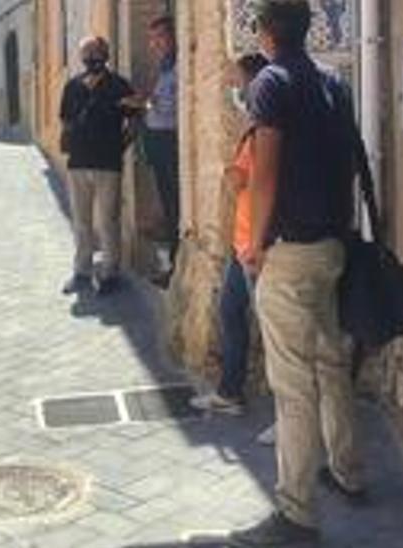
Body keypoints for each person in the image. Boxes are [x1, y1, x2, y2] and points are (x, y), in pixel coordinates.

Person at [230, 1, 365, 545]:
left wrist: (257, 242)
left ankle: (296, 513)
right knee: (332, 364)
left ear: (265, 32)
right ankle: (348, 470)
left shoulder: (270, 84)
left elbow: (265, 171)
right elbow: (351, 163)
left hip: (288, 252)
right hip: (332, 246)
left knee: (293, 386)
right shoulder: (334, 86)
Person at [190, 53, 271, 419]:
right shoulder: (254, 129)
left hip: (258, 246)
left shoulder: (264, 132)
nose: (235, 90)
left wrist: (231, 173)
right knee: (230, 311)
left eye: (239, 82)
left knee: (274, 334)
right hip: (243, 244)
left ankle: (287, 421)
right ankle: (230, 391)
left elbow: (247, 180)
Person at [59, 36, 138, 296]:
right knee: (81, 221)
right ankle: (82, 270)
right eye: (86, 53)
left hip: (108, 163)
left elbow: (134, 120)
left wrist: (120, 146)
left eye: (95, 52)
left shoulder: (119, 86)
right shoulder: (72, 87)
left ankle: (109, 272)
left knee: (107, 220)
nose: (91, 57)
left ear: (106, 54)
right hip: (78, 163)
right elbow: (66, 121)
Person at [142, 15, 180, 280]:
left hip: (170, 144)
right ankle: (173, 265)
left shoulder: (178, 67)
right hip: (158, 143)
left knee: (175, 206)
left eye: (160, 37)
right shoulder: (165, 67)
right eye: (152, 39)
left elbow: (170, 107)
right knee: (168, 205)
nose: (155, 44)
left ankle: (176, 267)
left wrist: (146, 103)